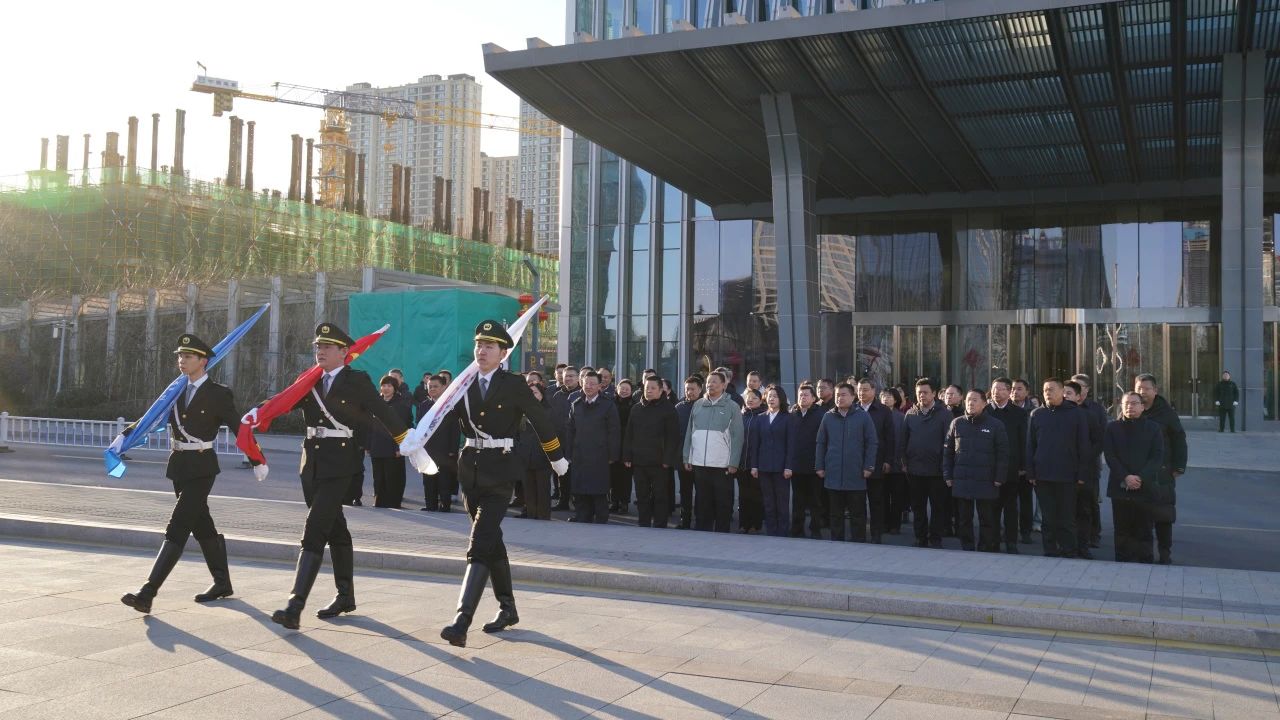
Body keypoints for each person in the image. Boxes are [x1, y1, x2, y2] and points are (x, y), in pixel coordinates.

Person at [267, 323, 411, 630]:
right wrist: (253, 417)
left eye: (327, 347)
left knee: (314, 529)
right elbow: (284, 402)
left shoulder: (356, 380)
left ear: (344, 352)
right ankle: (345, 596)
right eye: (318, 346)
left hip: (341, 465)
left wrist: (406, 439)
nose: (320, 351)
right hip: (311, 464)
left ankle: (294, 606)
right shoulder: (309, 380)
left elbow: (381, 411)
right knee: (335, 529)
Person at [439, 320, 568, 647]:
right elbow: (442, 418)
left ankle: (461, 621)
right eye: (478, 345)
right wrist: (415, 443)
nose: (481, 351)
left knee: (479, 542)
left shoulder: (513, 385)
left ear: (503, 353)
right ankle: (508, 608)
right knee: (491, 540)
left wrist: (555, 456)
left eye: (489, 346)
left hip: (501, 472)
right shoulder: (464, 381)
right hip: (470, 471)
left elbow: (539, 419)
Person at [121, 334, 246, 614]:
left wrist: (255, 456)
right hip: (179, 465)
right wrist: (125, 436)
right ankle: (222, 583)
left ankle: (147, 593)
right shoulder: (175, 390)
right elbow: (151, 417)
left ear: (203, 361)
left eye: (188, 356)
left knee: (177, 526)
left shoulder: (218, 393)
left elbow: (238, 427)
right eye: (180, 356)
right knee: (201, 524)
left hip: (202, 467)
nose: (182, 360)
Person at [1027, 378, 1092, 559]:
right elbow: (1030, 445)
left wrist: (1082, 473)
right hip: (1043, 474)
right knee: (1048, 517)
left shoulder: (1076, 413)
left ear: (1062, 391)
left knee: (1066, 517)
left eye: (1052, 389)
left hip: (1068, 474)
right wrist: (1031, 472)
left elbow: (1083, 445)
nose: (1048, 393)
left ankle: (1069, 550)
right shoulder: (1037, 414)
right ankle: (1050, 549)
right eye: (1045, 390)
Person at [944, 389, 1009, 552]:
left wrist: (999, 477)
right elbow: (948, 452)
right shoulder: (957, 423)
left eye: (974, 400)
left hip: (986, 479)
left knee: (987, 518)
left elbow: (1003, 454)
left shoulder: (996, 425)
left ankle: (985, 547)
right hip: (962, 478)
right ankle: (967, 547)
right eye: (968, 400)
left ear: (984, 403)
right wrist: (948, 475)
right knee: (964, 518)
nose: (970, 403)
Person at [1104, 391, 1164, 563]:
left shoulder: (1153, 428)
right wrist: (1125, 477)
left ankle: (1145, 562)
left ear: (1142, 407)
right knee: (1122, 529)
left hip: (1145, 486)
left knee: (1144, 528)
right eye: (1126, 403)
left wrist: (1140, 478)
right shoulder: (1112, 428)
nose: (1130, 406)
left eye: (1134, 403)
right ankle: (1122, 561)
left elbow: (1157, 457)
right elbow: (1110, 456)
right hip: (1120, 486)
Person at [683, 370, 744, 533]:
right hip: (700, 462)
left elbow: (738, 437)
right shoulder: (698, 405)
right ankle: (703, 530)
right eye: (708, 381)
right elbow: (690, 432)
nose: (710, 384)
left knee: (723, 501)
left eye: (714, 381)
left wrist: (733, 462)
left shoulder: (732, 407)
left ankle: (722, 532)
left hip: (722, 464)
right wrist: (687, 457)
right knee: (702, 500)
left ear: (724, 385)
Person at [816, 382, 877, 542]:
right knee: (835, 514)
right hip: (833, 473)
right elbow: (821, 443)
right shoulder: (828, 416)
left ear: (853, 396)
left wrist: (869, 466)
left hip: (856, 473)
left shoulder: (863, 416)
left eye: (843, 395)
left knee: (857, 513)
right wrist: (819, 466)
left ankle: (858, 543)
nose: (840, 398)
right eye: (837, 395)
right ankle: (837, 543)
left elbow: (872, 442)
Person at [1136, 373, 1187, 565]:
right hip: (1138, 472)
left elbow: (1179, 439)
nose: (1142, 392)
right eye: (1139, 388)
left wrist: (1179, 466)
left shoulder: (1166, 413)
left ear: (1155, 390)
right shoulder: (1131, 409)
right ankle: (1144, 554)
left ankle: (1165, 553)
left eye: (1146, 388)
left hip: (1162, 472)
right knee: (1141, 517)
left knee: (1163, 515)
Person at [623, 376, 681, 528]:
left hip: (660, 462)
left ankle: (660, 523)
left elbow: (673, 437)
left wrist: (668, 459)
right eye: (647, 387)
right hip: (639, 460)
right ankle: (643, 522)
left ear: (661, 391)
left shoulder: (668, 409)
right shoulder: (636, 408)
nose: (649, 390)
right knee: (641, 494)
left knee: (660, 495)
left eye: (653, 388)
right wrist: (627, 455)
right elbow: (629, 434)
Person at [566, 370, 620, 524]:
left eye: (592, 384)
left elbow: (614, 432)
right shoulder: (576, 405)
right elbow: (570, 431)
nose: (588, 386)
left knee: (599, 490)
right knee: (580, 490)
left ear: (599, 386)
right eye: (586, 383)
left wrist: (613, 455)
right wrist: (568, 454)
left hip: (600, 455)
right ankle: (582, 517)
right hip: (580, 455)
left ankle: (601, 520)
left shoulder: (608, 405)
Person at [903, 379, 950, 549]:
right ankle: (920, 537)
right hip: (915, 469)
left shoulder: (944, 414)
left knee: (938, 507)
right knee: (918, 507)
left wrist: (946, 466)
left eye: (925, 392)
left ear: (934, 394)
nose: (921, 395)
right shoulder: (910, 414)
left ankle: (936, 538)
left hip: (937, 470)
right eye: (919, 393)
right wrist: (905, 462)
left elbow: (949, 442)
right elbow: (904, 440)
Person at [986, 378, 1028, 553]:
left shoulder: (1019, 413)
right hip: (989, 468)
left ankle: (1011, 542)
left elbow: (1023, 440)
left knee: (1011, 507)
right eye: (994, 389)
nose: (996, 392)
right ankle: (993, 541)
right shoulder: (985, 411)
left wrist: (1023, 465)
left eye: (1001, 389)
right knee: (991, 508)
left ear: (1009, 391)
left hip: (1011, 468)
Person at [1069, 374, 1107, 550]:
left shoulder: (1096, 410)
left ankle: (1094, 534)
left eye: (1080, 386)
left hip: (1090, 464)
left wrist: (1086, 457)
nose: (1076, 388)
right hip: (1069, 465)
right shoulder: (1065, 408)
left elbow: (1100, 439)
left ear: (1087, 389)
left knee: (1090, 501)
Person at [856, 379, 895, 544]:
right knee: (857, 501)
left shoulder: (883, 411)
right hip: (856, 462)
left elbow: (890, 437)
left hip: (877, 462)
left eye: (865, 390)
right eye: (859, 390)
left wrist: (888, 460)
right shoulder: (853, 408)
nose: (861, 393)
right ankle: (859, 534)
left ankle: (876, 534)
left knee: (876, 501)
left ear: (873, 391)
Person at [750, 384, 792, 537]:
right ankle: (771, 531)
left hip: (782, 467)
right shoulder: (760, 418)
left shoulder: (788, 418)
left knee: (782, 501)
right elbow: (755, 444)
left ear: (781, 399)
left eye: (775, 396)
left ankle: (783, 531)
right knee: (768, 501)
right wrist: (754, 466)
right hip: (764, 466)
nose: (772, 399)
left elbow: (791, 444)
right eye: (769, 396)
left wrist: (789, 466)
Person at [369, 376, 413, 508]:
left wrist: (400, 447)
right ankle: (379, 501)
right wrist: (368, 445)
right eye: (383, 385)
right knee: (378, 477)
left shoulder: (401, 405)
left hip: (394, 448)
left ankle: (394, 503)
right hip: (377, 446)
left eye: (389, 386)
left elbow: (406, 427)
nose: (386, 388)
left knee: (393, 477)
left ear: (395, 388)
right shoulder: (375, 404)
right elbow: (368, 425)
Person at [787, 384, 825, 539]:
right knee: (798, 500)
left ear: (814, 398)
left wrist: (821, 464)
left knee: (816, 501)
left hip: (814, 466)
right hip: (796, 466)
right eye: (800, 395)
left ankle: (816, 530)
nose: (802, 397)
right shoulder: (792, 414)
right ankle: (797, 529)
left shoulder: (821, 415)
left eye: (806, 395)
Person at [418, 374, 459, 512]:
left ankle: (445, 505)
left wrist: (453, 449)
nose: (432, 389)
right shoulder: (424, 405)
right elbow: (419, 427)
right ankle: (430, 504)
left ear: (444, 387)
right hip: (427, 449)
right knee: (428, 478)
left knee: (444, 479)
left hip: (445, 449)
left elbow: (455, 429)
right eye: (430, 387)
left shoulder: (450, 405)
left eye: (436, 386)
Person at [515, 382, 554, 520]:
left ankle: (543, 517)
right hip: (525, 456)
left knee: (543, 490)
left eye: (535, 393)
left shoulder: (549, 411)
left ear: (542, 394)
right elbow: (516, 433)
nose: (532, 395)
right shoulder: (521, 412)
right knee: (529, 490)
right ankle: (531, 516)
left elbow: (556, 433)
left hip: (543, 456)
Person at [549, 365, 580, 510]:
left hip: (576, 442)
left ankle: (578, 503)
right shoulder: (557, 395)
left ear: (578, 378)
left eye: (571, 376)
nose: (568, 378)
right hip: (560, 441)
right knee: (562, 473)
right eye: (566, 376)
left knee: (577, 474)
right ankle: (563, 501)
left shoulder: (581, 395)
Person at [674, 375, 703, 529]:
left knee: (701, 491)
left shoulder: (706, 406)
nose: (689, 392)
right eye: (687, 389)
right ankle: (685, 520)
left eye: (693, 389)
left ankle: (700, 520)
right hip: (683, 456)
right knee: (685, 490)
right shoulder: (679, 408)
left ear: (700, 389)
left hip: (701, 456)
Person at [879, 387, 908, 536]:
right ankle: (884, 523)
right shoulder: (877, 415)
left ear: (896, 399)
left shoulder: (902, 417)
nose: (886, 398)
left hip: (897, 464)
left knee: (897, 497)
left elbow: (904, 441)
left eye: (889, 396)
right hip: (880, 463)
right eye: (884, 396)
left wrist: (902, 462)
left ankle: (895, 525)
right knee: (882, 496)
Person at [736, 388, 765, 533]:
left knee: (756, 495)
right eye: (748, 397)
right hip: (742, 463)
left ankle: (755, 524)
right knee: (743, 494)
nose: (750, 400)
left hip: (757, 463)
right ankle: (743, 523)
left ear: (760, 401)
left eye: (754, 398)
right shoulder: (741, 416)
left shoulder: (763, 417)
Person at [610, 379, 635, 513]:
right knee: (613, 476)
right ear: (617, 389)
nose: (624, 391)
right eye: (622, 388)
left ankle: (624, 503)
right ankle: (614, 502)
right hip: (613, 444)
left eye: (627, 389)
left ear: (631, 391)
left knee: (626, 477)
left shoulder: (634, 405)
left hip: (627, 444)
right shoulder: (611, 404)